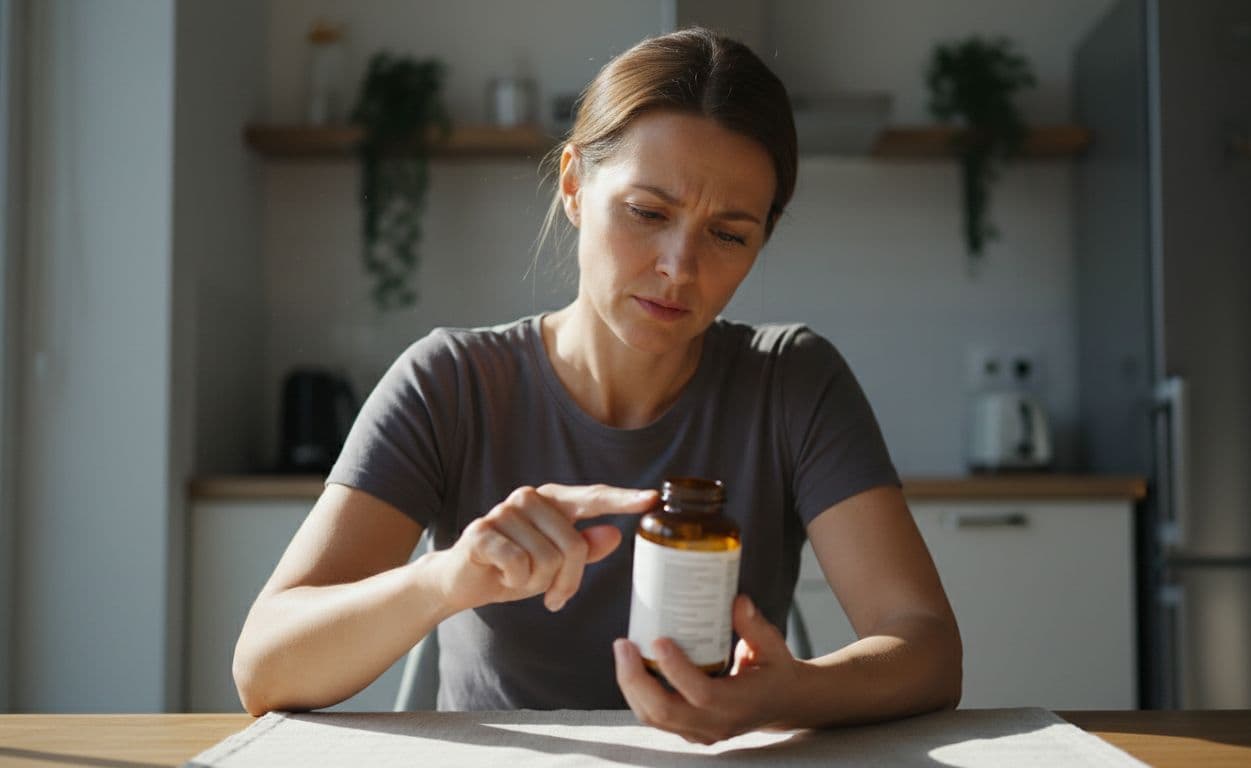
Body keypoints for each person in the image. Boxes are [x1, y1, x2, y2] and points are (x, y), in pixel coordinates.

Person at [233, 27, 961, 745]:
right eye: (647, 213)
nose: (680, 266)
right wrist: (448, 579)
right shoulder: (448, 383)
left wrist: (788, 693)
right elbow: (265, 668)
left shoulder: (793, 381)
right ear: (575, 184)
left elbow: (926, 647)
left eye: (729, 234)